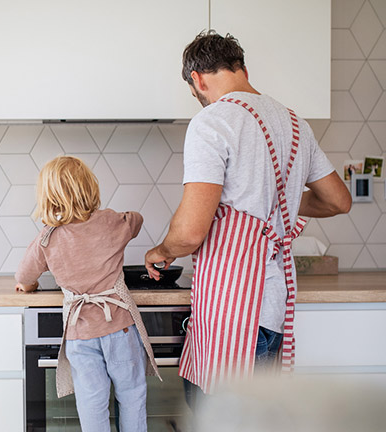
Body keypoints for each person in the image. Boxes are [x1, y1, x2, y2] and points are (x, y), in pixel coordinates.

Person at [144, 31, 351, 400]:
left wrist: (161, 250)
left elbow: (191, 231)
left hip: (234, 309)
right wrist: (278, 201)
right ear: (242, 68)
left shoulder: (213, 122)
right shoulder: (296, 124)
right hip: (273, 307)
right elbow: (338, 201)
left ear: (197, 79)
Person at [15, 156, 160, 432]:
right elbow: (137, 220)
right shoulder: (111, 222)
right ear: (90, 189)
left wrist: (29, 286)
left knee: (92, 402)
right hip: (120, 329)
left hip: (81, 335)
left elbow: (23, 275)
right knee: (132, 395)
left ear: (48, 198)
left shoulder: (47, 238)